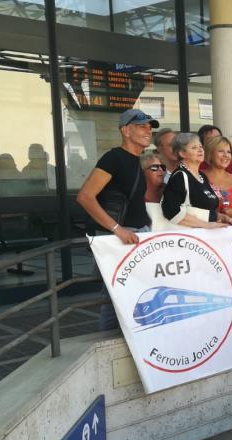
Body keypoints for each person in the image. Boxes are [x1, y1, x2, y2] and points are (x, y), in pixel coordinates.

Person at [76, 109, 157, 330]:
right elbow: (85, 196)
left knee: (135, 294)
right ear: (125, 130)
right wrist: (117, 229)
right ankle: (108, 342)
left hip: (136, 234)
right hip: (121, 238)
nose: (148, 131)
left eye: (149, 127)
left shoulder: (136, 160)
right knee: (114, 299)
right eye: (142, 126)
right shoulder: (114, 158)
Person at [162, 133, 232, 229]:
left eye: (201, 146)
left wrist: (224, 217)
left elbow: (205, 210)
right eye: (194, 148)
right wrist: (206, 225)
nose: (200, 150)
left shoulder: (202, 176)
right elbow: (171, 211)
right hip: (190, 238)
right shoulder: (180, 176)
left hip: (204, 237)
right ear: (182, 153)